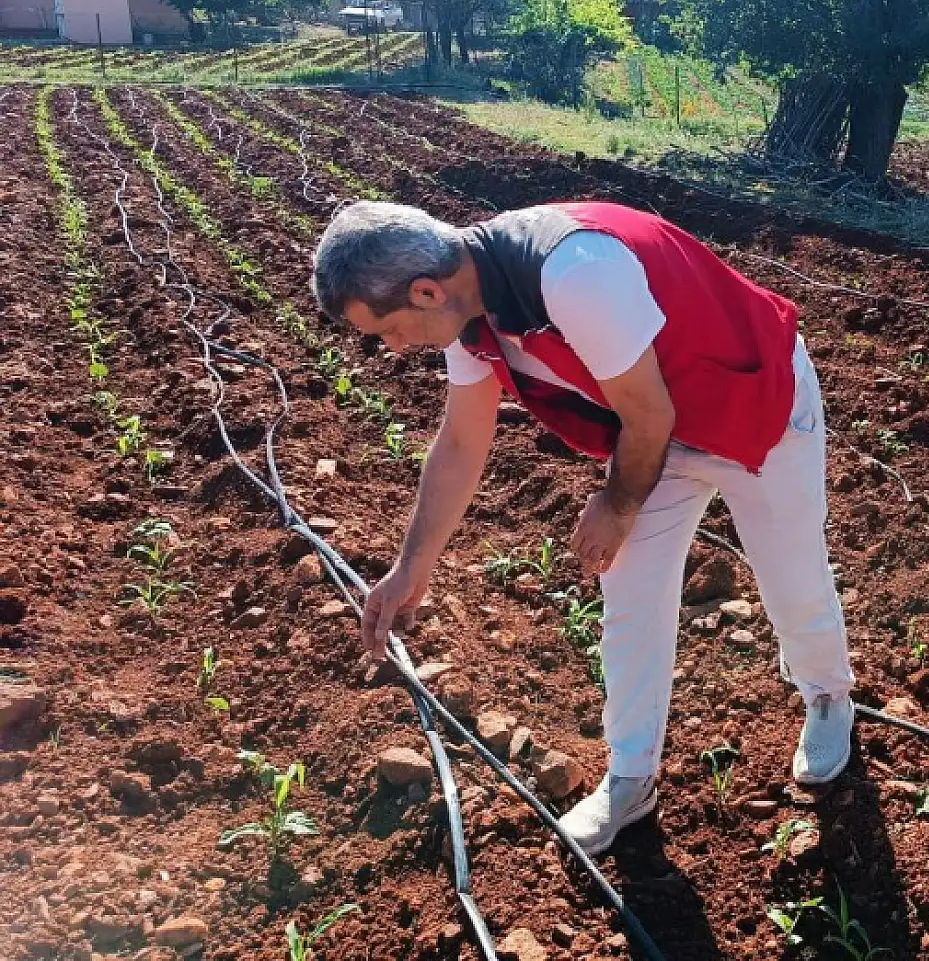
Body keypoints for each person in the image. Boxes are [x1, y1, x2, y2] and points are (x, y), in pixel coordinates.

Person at [310, 198, 856, 856]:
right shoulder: (467, 312)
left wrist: (616, 506)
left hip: (752, 401)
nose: (396, 347)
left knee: (789, 574)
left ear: (426, 290)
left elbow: (650, 415)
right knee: (629, 596)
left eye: (390, 329)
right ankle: (631, 776)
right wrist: (411, 568)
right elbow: (460, 441)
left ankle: (827, 694)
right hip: (653, 429)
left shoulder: (573, 272)